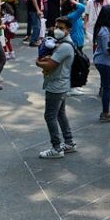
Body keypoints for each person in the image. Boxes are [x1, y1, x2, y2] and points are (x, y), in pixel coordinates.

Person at [36, 16, 79, 159]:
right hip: (61, 83)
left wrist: (38, 63)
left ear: (68, 30)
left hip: (56, 85)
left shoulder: (65, 46)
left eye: (61, 28)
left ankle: (56, 148)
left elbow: (50, 65)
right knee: (60, 114)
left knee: (50, 116)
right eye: (56, 27)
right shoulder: (63, 43)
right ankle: (69, 142)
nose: (57, 30)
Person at [92, 5, 110, 123]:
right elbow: (107, 49)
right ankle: (105, 112)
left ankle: (106, 111)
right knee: (109, 87)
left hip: (102, 60)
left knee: (107, 86)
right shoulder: (105, 31)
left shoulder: (102, 28)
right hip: (104, 62)